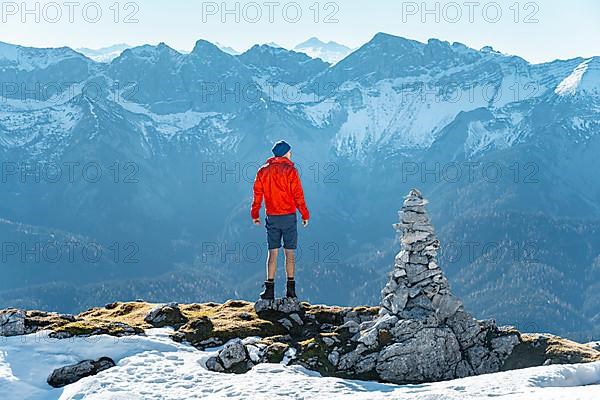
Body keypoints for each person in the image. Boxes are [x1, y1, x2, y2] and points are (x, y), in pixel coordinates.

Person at [251, 140, 310, 300]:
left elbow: (257, 195)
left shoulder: (263, 171)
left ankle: (269, 290)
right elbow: (298, 195)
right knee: (289, 253)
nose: (291, 154)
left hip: (272, 217)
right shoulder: (291, 171)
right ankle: (291, 291)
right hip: (289, 217)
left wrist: (255, 213)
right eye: (290, 152)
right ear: (285, 153)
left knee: (273, 253)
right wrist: (305, 214)